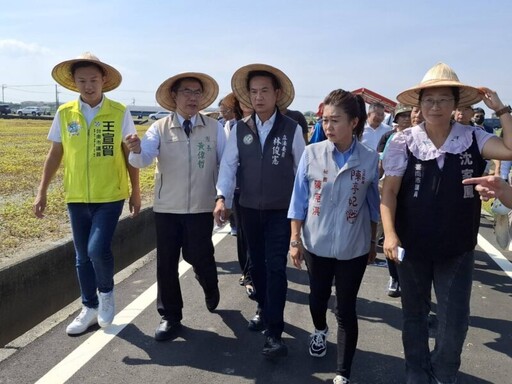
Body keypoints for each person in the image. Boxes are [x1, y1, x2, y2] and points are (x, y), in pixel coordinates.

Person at [381, 62, 512, 384]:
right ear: (419, 104)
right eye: (428, 100)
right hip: (412, 245)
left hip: (458, 247)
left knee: (455, 321)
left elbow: (509, 149)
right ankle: (416, 373)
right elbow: (389, 193)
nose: (435, 106)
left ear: (456, 105)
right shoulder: (402, 141)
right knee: (413, 316)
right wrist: (390, 234)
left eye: (443, 100)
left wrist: (503, 110)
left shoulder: (473, 138)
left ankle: (443, 373)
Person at [33, 52, 141, 335]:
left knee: (96, 249)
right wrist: (41, 190)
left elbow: (130, 152)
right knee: (81, 255)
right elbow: (55, 153)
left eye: (93, 79)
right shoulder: (65, 112)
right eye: (82, 81)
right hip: (76, 195)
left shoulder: (119, 112)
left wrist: (136, 192)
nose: (88, 85)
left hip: (110, 195)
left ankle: (106, 294)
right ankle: (89, 307)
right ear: (74, 83)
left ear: (104, 80)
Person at [214, 63, 305, 359]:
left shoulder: (291, 129)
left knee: (276, 267)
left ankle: (274, 334)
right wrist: (222, 199)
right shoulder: (240, 129)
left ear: (277, 93)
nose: (259, 97)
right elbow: (228, 166)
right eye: (254, 92)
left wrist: (301, 216)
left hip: (281, 211)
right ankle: (264, 309)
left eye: (265, 90)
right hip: (250, 210)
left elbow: (302, 172)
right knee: (257, 267)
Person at [125, 72, 225, 341]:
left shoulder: (215, 128)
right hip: (167, 207)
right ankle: (170, 315)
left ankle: (209, 282)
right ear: (174, 96)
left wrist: (222, 196)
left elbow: (225, 165)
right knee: (166, 262)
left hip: (202, 206)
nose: (192, 98)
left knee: (199, 255)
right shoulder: (159, 128)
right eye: (186, 92)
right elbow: (142, 160)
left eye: (197, 93)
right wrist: (135, 149)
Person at [288, 89, 379, 384]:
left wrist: (372, 241)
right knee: (317, 298)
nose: (328, 127)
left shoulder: (368, 159)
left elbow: (374, 204)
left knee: (346, 307)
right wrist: (295, 240)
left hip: (353, 246)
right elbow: (298, 201)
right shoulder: (312, 154)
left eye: (335, 120)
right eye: (324, 120)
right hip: (316, 244)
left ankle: (343, 372)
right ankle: (319, 330)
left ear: (354, 122)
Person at [376, 103, 412, 297]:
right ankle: (394, 277)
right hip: (389, 190)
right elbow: (381, 164)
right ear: (396, 119)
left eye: (409, 114)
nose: (406, 118)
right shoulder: (389, 138)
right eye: (402, 115)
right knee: (391, 235)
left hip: (413, 197)